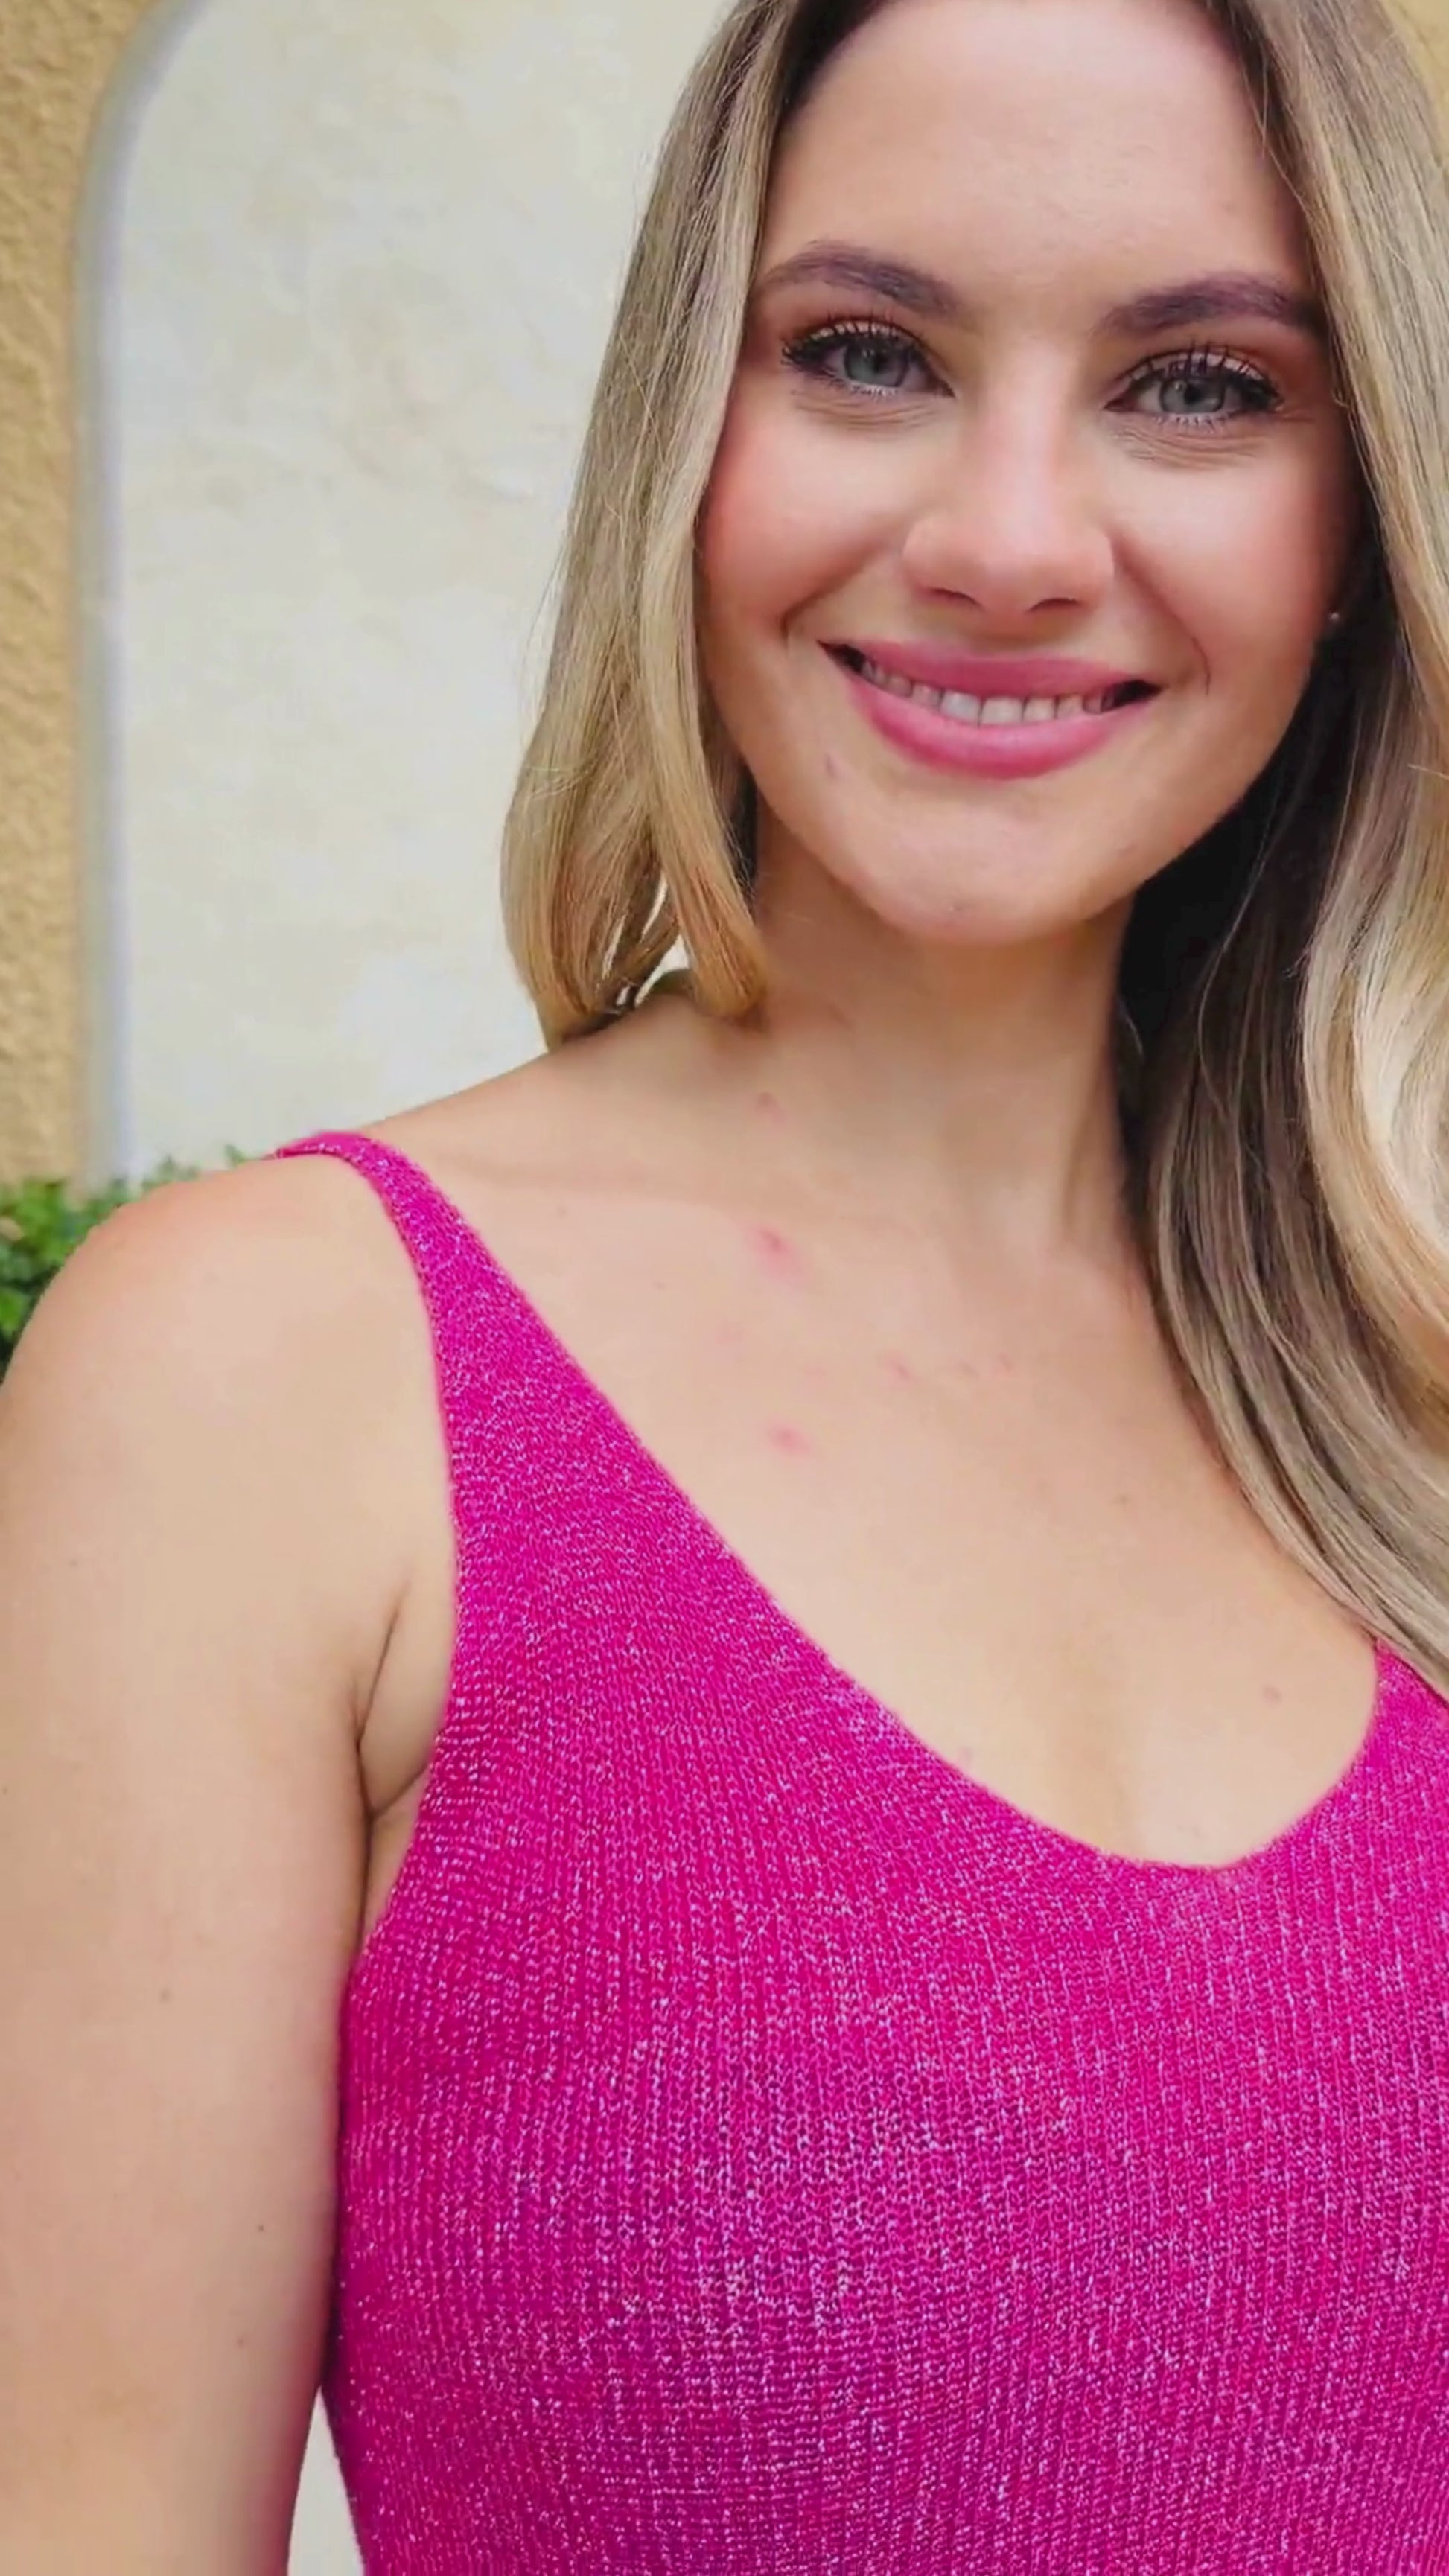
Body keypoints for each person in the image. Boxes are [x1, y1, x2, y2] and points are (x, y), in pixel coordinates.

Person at [6, 0, 1449, 2562]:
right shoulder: (266, 1375)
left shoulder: (1414, 1399)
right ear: (688, 432)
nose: (1010, 535)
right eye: (869, 353)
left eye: (1197, 386)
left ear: (1355, 532)